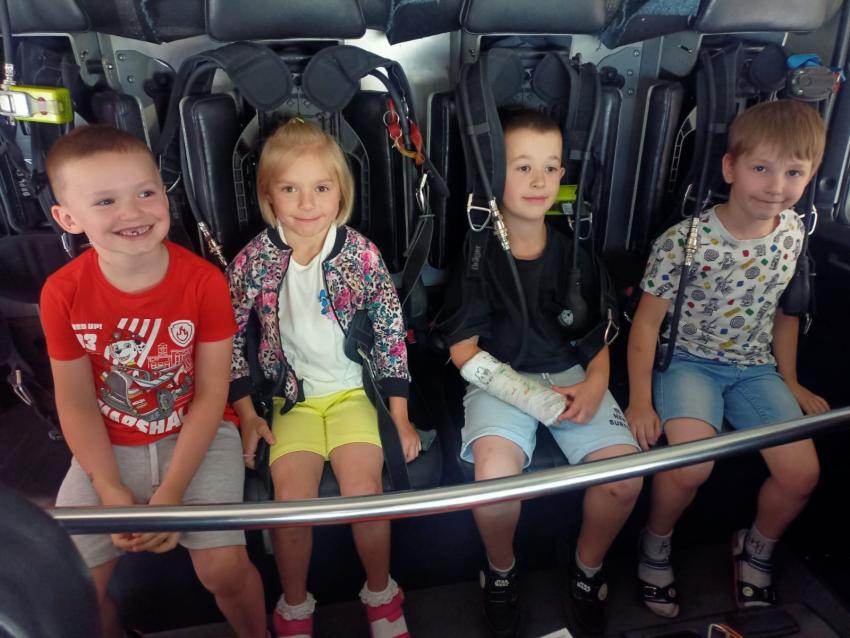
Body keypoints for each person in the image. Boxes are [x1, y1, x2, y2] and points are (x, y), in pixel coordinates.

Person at [40, 125, 267, 638]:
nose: (133, 212)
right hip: (106, 445)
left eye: (146, 192)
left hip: (198, 437)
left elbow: (211, 393)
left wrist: (173, 493)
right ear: (68, 218)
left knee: (223, 569)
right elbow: (76, 402)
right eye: (106, 201)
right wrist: (109, 488)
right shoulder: (61, 293)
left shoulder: (203, 282)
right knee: (74, 588)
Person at [440, 108, 642, 637]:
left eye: (550, 168)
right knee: (494, 480)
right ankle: (501, 570)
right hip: (500, 380)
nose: (538, 181)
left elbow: (599, 335)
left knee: (625, 479)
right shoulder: (478, 255)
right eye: (523, 167)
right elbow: (464, 351)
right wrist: (529, 398)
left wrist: (596, 384)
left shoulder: (576, 251)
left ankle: (586, 568)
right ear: (494, 173)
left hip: (570, 374)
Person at [625, 99, 830, 618]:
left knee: (801, 473)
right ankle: (656, 542)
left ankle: (755, 547)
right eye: (761, 168)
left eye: (793, 173)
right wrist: (641, 400)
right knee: (692, 463)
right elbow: (645, 326)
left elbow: (786, 312)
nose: (776, 186)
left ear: (810, 176)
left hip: (754, 367)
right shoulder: (683, 242)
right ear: (730, 167)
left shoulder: (793, 233)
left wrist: (791, 381)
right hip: (688, 362)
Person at [228, 118, 416, 638]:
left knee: (364, 493)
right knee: (291, 505)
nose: (307, 203)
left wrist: (399, 417)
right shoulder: (254, 261)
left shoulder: (361, 254)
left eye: (321, 188)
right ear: (269, 195)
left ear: (340, 194)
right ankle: (294, 607)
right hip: (291, 401)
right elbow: (226, 338)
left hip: (355, 394)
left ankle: (381, 593)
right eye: (290, 189)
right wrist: (246, 414)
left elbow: (391, 334)